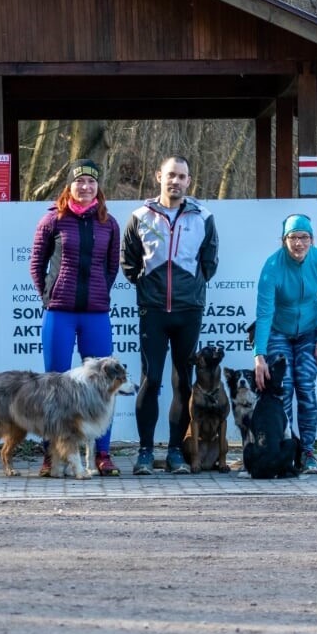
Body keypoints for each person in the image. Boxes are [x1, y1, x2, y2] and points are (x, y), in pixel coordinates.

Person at [121, 155, 219, 475]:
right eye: (170, 175)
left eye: (181, 176)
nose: (175, 181)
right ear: (158, 177)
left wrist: (191, 289)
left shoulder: (204, 217)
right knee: (150, 380)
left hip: (188, 310)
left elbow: (209, 262)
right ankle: (145, 453)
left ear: (189, 181)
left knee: (183, 382)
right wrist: (146, 285)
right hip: (153, 311)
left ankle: (176, 451)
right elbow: (129, 261)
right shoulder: (140, 216)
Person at [29, 158, 122, 476]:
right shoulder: (52, 219)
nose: (85, 186)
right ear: (69, 185)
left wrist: (99, 292)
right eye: (79, 181)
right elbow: (37, 264)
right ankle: (51, 455)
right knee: (53, 386)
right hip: (60, 313)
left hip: (95, 314)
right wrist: (49, 294)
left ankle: (102, 454)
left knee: (105, 383)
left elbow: (111, 268)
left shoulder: (109, 223)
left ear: (98, 187)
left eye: (91, 181)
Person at [254, 213, 317, 475]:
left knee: (305, 387)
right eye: (293, 238)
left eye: (304, 237)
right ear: (284, 240)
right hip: (279, 331)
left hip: (309, 333)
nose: (299, 243)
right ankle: (288, 449)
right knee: (284, 388)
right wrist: (259, 355)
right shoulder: (272, 266)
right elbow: (264, 313)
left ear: (312, 240)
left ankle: (309, 452)